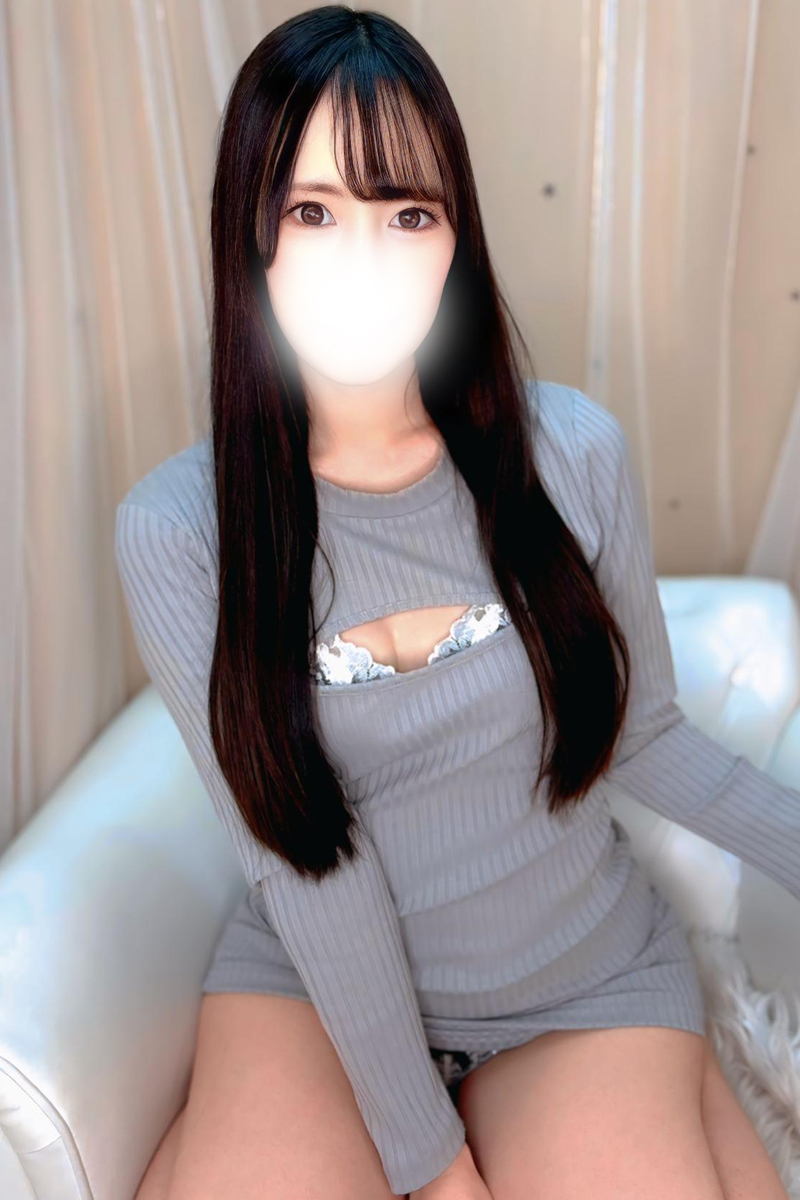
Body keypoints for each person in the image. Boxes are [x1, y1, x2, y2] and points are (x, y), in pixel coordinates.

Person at [114, 7, 799, 1199]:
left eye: (408, 213)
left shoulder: (570, 453)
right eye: (312, 211)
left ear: (454, 242)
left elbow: (643, 737)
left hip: (575, 980)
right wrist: (435, 1170)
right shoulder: (179, 531)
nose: (366, 258)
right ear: (249, 236)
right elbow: (304, 861)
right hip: (314, 995)